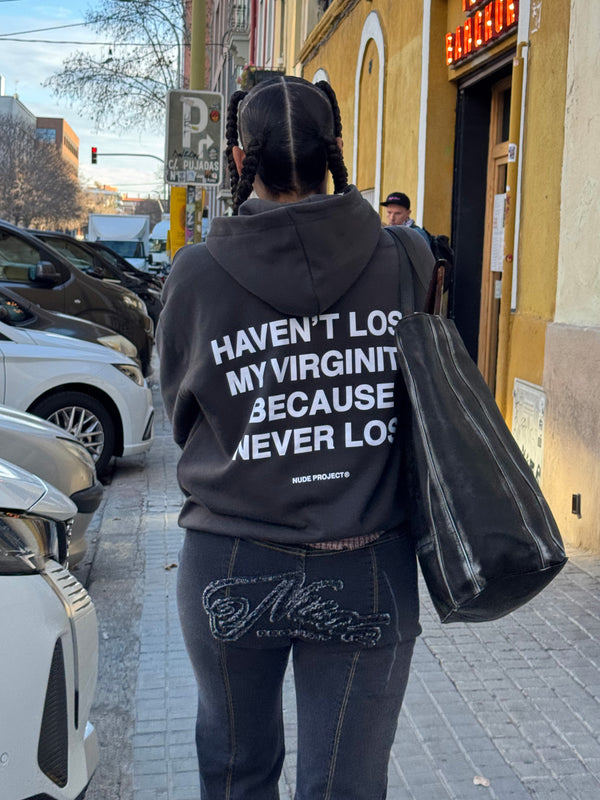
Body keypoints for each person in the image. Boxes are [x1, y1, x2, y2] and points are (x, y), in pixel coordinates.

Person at [157, 76, 434, 800]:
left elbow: (181, 411)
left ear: (239, 157)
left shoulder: (196, 272)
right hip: (366, 559)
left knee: (236, 774)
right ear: (333, 149)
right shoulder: (405, 257)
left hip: (230, 553)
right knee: (347, 785)